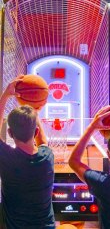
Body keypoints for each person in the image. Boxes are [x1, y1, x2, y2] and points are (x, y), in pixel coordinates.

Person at [0, 76, 55, 229]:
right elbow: (43, 141)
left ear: (10, 133)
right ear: (36, 131)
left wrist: (5, 94)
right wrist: (33, 109)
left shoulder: (6, 159)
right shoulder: (47, 157)